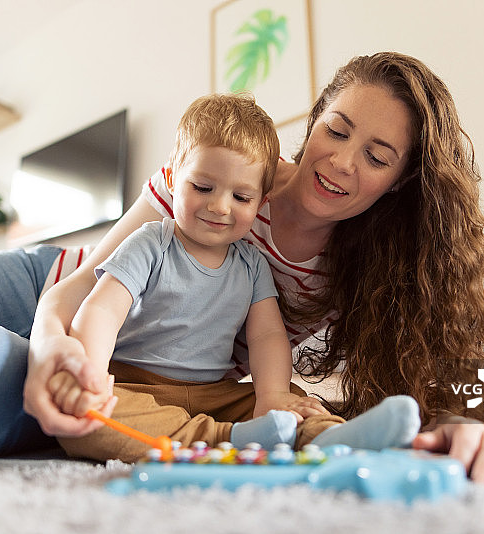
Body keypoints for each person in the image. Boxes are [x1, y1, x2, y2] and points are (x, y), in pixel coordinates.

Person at [0, 52, 484, 486]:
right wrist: (49, 347)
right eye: (336, 130)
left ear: (397, 182)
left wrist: (465, 425)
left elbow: (422, 374)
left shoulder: (362, 271)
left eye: (376, 155)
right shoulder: (227, 179)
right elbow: (86, 284)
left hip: (148, 377)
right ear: (313, 123)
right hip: (50, 292)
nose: (340, 161)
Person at [47, 93, 419, 461]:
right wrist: (91, 372)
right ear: (174, 178)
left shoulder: (252, 264)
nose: (219, 206)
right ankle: (228, 438)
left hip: (215, 393)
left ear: (262, 201)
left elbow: (268, 335)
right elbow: (101, 309)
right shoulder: (151, 242)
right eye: (203, 188)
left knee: (290, 400)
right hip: (135, 382)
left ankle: (331, 437)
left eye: (241, 198)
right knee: (85, 420)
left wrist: (273, 397)